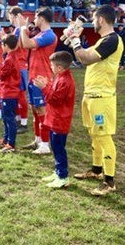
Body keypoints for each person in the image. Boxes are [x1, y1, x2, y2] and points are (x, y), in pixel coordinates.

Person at [69, 5, 124, 196]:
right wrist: (73, 38)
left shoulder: (112, 40)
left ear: (101, 19)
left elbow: (85, 58)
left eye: (93, 19)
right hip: (92, 96)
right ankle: (96, 170)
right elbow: (81, 53)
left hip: (102, 97)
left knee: (103, 136)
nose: (92, 22)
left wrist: (76, 40)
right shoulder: (103, 41)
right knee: (94, 134)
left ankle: (109, 182)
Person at [16, 7, 58, 155]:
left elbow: (27, 44)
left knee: (42, 111)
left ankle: (46, 145)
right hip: (33, 75)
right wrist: (23, 30)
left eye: (36, 16)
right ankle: (38, 140)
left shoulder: (49, 35)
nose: (34, 18)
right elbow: (22, 44)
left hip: (42, 78)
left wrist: (22, 28)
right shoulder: (40, 34)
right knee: (34, 110)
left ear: (42, 18)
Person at [33, 51, 76, 188]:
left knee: (59, 149)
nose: (50, 67)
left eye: (52, 65)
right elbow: (55, 93)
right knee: (56, 147)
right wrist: (48, 85)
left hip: (60, 121)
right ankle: (58, 172)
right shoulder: (61, 77)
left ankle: (63, 177)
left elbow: (54, 99)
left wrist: (43, 88)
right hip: (55, 119)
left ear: (59, 68)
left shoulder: (65, 80)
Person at [0, 34, 22, 153]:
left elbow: (2, 75)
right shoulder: (11, 57)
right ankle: (6, 139)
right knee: (5, 117)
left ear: (6, 46)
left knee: (9, 118)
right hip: (8, 91)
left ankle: (11, 143)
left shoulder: (10, 59)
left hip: (9, 92)